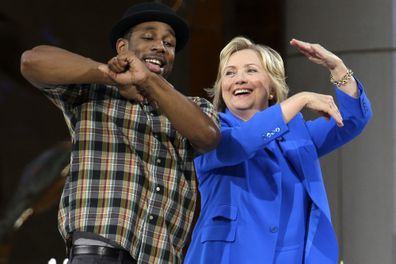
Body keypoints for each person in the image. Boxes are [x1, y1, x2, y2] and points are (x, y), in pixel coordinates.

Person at [20, 2, 220, 263]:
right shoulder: (92, 92)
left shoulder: (194, 106)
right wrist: (110, 75)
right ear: (123, 48)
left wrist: (148, 80)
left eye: (169, 44)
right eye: (148, 37)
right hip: (99, 250)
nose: (160, 46)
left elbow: (208, 136)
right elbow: (32, 60)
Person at [184, 36, 372, 264]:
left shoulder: (298, 133)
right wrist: (301, 99)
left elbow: (352, 119)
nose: (239, 79)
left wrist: (337, 67)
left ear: (272, 88)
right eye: (229, 73)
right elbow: (242, 142)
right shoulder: (209, 130)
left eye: (251, 70)